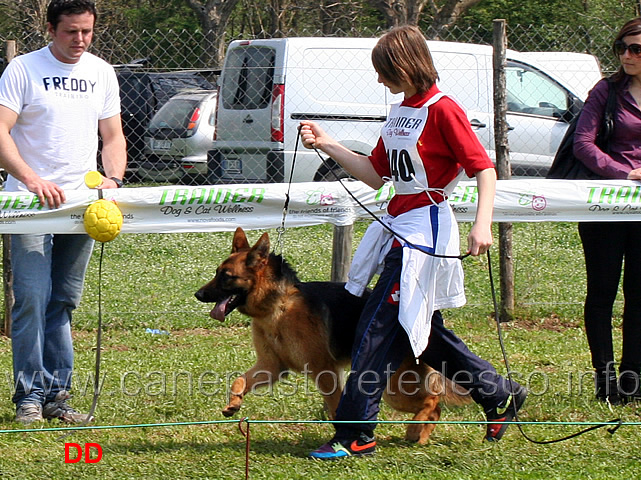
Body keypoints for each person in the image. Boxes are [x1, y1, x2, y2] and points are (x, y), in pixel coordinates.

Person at [300, 25, 526, 459]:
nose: (380, 81)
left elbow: (484, 169)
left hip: (424, 234)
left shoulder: (444, 110)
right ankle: (499, 393)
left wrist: (483, 225)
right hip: (398, 228)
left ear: (406, 65)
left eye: (385, 72)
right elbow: (375, 174)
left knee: (375, 329)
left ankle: (355, 433)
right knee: (417, 330)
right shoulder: (401, 112)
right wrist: (328, 143)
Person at [0, 0, 126, 424]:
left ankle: (58, 396)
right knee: (31, 299)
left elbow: (112, 136)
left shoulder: (101, 72)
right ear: (51, 29)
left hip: (82, 206)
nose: (80, 40)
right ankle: (29, 398)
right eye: (71, 31)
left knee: (64, 300)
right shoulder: (22, 69)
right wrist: (31, 180)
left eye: (87, 32)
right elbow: (1, 130)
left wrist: (114, 178)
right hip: (29, 205)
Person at [573, 18, 641, 405]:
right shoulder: (605, 90)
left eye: (637, 49)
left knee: (639, 293)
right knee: (602, 291)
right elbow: (584, 144)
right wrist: (626, 173)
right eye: (622, 48)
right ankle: (606, 379)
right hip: (605, 203)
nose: (627, 55)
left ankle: (633, 381)